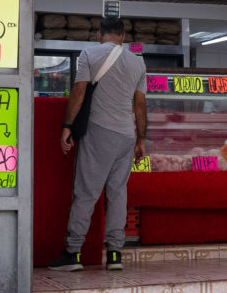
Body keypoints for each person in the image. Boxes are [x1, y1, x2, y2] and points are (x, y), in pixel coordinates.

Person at [48, 16, 148, 272]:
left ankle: (72, 252)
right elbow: (140, 105)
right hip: (126, 135)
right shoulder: (138, 63)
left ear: (99, 34)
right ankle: (115, 254)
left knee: (86, 193)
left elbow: (79, 92)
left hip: (99, 133)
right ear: (123, 37)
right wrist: (141, 140)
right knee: (117, 193)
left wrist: (67, 126)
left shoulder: (89, 54)